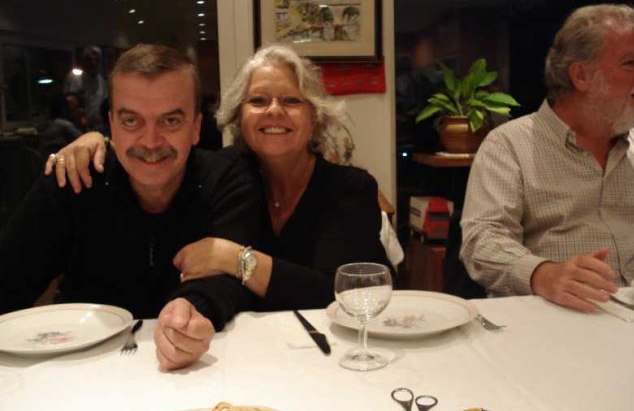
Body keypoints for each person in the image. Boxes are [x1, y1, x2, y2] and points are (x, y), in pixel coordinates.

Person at [45, 44, 391, 311]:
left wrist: (235, 258)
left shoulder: (348, 189)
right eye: (258, 100)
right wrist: (100, 141)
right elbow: (157, 153)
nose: (274, 111)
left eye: (291, 101)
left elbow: (342, 296)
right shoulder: (226, 175)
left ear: (314, 116)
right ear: (239, 117)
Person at [0, 44, 259, 370]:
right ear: (111, 125)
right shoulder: (73, 179)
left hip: (199, 368)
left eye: (170, 120)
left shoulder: (225, 178)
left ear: (195, 127)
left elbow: (224, 278)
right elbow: (8, 281)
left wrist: (192, 310)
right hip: (76, 370)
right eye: (131, 121)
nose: (150, 142)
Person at [460, 4, 634, 312]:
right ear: (581, 76)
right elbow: (481, 242)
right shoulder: (509, 145)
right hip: (559, 315)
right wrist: (542, 274)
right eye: (630, 63)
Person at [63, 46, 108, 130]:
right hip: (77, 127)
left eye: (97, 60)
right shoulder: (74, 78)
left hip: (97, 126)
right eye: (90, 60)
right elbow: (68, 105)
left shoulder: (101, 81)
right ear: (83, 61)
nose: (93, 63)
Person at [38, 92, 88, 158]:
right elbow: (87, 143)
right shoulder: (64, 125)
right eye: (77, 107)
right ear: (64, 109)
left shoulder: (52, 122)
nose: (82, 110)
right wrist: (84, 125)